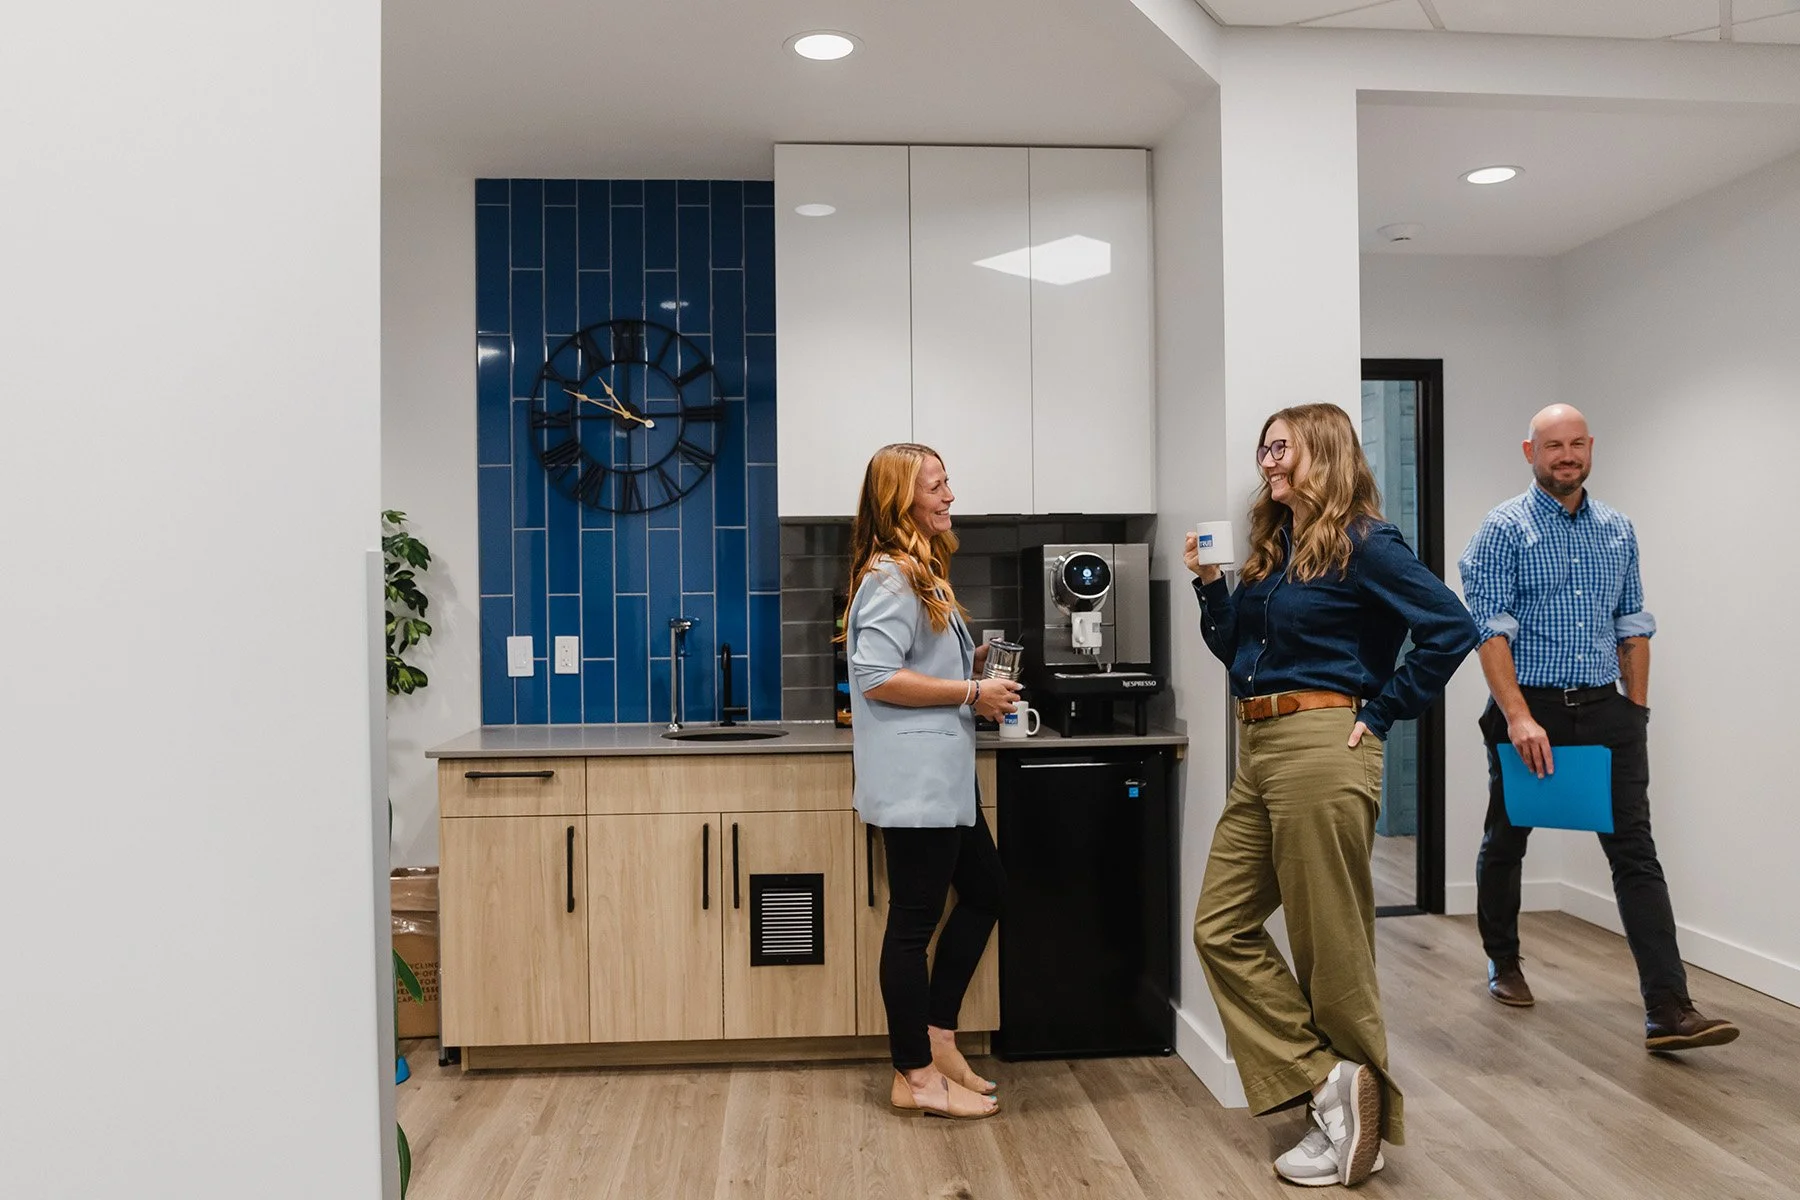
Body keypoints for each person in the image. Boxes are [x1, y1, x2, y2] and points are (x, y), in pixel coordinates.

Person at [1186, 403, 1478, 1188]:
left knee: (1330, 947)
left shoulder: (1364, 541)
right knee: (1220, 926)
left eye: (1280, 447)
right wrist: (1213, 588)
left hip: (1324, 743)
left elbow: (1451, 627)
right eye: (1264, 448)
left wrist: (1381, 712)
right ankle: (1328, 1083)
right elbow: (1237, 653)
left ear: (1322, 450)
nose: (1267, 459)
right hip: (1263, 745)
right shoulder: (1277, 548)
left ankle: (1355, 1124)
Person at [1459, 403, 1738, 1052]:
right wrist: (1518, 716)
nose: (1566, 455)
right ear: (1529, 451)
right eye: (1552, 445)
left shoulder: (1617, 529)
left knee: (1634, 851)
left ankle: (1669, 1007)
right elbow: (1489, 629)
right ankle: (1504, 961)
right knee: (1508, 838)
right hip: (1530, 707)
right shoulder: (1504, 529)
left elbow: (1632, 626)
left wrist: (1635, 711)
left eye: (1576, 444)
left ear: (1591, 448)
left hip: (1606, 710)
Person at [842, 442, 1021, 1120]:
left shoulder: (923, 572)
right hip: (916, 784)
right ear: (901, 501)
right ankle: (913, 1075)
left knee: (987, 892)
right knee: (912, 926)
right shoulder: (890, 577)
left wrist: (965, 662)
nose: (950, 496)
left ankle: (939, 1038)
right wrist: (971, 689)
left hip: (944, 780)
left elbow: (914, 662)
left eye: (949, 483)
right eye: (937, 487)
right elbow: (878, 676)